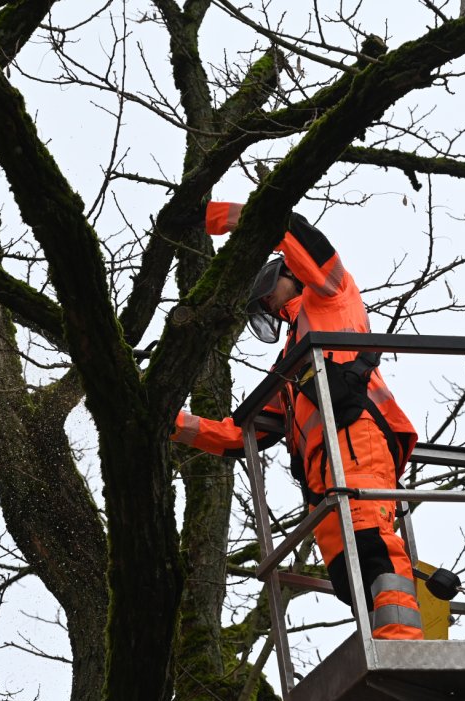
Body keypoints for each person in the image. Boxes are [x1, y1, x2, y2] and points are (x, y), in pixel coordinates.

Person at [171, 200, 424, 641]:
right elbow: (236, 436)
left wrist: (207, 215)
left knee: (372, 547)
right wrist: (168, 421)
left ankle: (403, 645)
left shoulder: (332, 294)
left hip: (357, 443)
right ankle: (382, 646)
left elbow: (284, 224)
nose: (268, 302)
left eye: (269, 292)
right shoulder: (289, 367)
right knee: (349, 575)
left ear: (287, 273)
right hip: (322, 478)